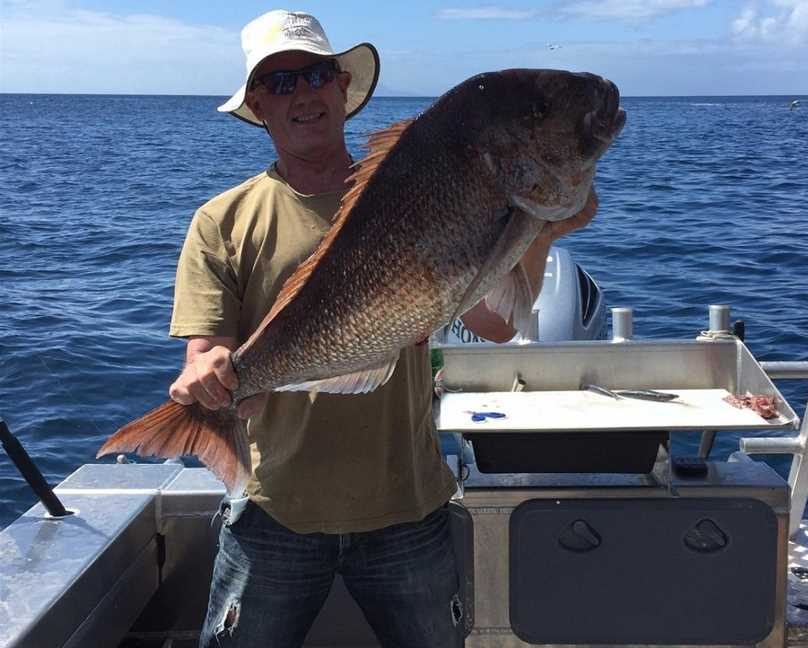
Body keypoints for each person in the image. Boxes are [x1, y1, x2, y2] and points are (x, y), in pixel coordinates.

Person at [169, 10, 599, 648]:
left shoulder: (419, 182)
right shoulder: (222, 220)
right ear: (258, 104)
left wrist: (539, 231)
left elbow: (496, 323)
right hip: (273, 511)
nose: (302, 93)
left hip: (408, 506)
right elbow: (207, 353)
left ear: (342, 85)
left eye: (314, 74)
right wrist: (206, 380)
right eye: (280, 83)